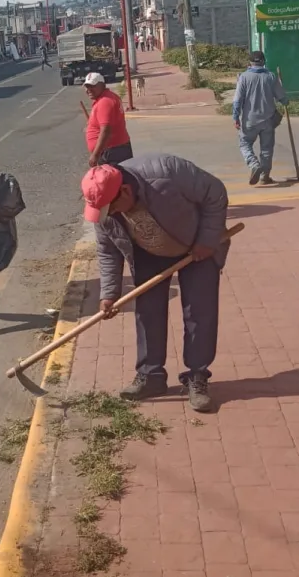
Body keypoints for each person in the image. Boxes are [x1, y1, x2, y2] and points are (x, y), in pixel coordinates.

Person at [81, 157, 229, 412]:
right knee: (147, 312)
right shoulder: (103, 206)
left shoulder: (166, 173)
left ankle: (197, 376)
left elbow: (215, 193)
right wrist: (109, 294)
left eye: (112, 208)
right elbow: (108, 251)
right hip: (147, 252)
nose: (111, 214)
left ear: (125, 191)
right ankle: (150, 376)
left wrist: (207, 239)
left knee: (199, 312)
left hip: (196, 247)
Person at [232, 50, 288, 185]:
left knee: (245, 143)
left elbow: (237, 100)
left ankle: (253, 164)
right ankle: (265, 176)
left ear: (249, 63)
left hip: (250, 120)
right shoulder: (271, 76)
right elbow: (282, 98)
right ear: (264, 62)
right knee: (267, 148)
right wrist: (285, 100)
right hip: (268, 120)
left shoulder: (244, 77)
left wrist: (236, 117)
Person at [84, 72, 133, 168]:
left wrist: (95, 155)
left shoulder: (105, 102)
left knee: (113, 181)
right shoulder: (109, 97)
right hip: (117, 149)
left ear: (102, 85)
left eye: (92, 86)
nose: (88, 90)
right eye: (87, 87)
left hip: (112, 152)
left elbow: (106, 130)